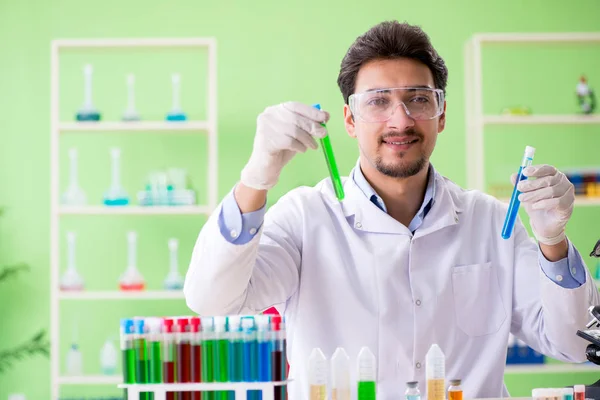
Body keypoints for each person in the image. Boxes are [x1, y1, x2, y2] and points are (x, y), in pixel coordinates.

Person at [184, 20, 599, 400]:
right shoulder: (305, 217)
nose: (400, 120)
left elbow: (574, 344)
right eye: (378, 101)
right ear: (349, 119)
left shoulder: (490, 222)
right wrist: (254, 179)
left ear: (441, 115)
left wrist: (553, 244)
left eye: (418, 99)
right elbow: (212, 298)